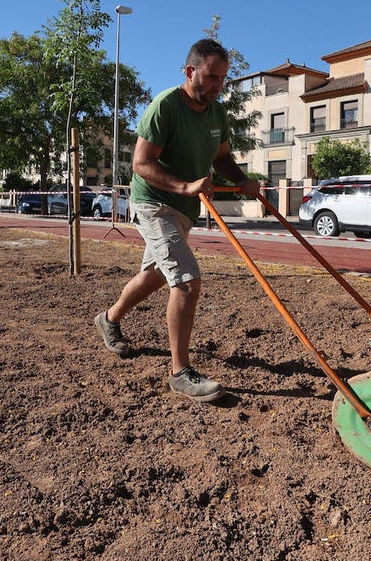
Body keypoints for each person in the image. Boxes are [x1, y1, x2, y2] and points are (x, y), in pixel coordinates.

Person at [94, 38, 261, 402]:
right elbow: (141, 163)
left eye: (223, 79)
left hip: (184, 209)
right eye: (212, 77)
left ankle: (108, 318)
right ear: (190, 71)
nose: (218, 86)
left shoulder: (217, 113)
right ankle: (180, 373)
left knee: (155, 274)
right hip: (154, 203)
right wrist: (184, 186)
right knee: (186, 281)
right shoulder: (165, 106)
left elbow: (221, 158)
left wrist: (242, 180)